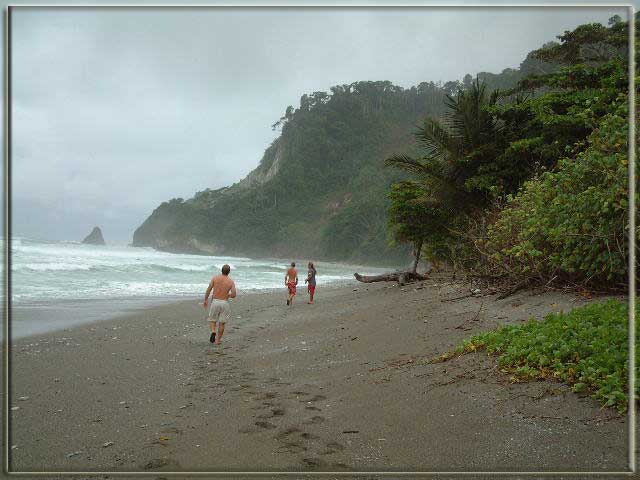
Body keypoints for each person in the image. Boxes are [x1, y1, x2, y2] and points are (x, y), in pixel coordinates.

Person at [203, 264, 236, 345]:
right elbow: (234, 294)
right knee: (222, 323)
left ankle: (213, 331)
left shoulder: (215, 278)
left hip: (215, 301)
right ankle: (218, 340)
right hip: (225, 303)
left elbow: (209, 289)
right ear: (229, 272)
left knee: (212, 320)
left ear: (221, 270)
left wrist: (206, 299)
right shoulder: (231, 281)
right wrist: (228, 295)